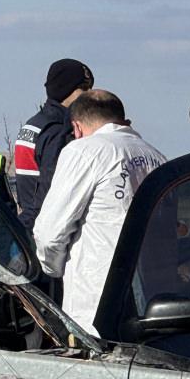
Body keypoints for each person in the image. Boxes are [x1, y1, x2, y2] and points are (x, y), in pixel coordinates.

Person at [32, 90, 165, 336]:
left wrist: (52, 271)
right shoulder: (156, 157)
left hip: (98, 304)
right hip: (154, 305)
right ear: (123, 120)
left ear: (77, 128)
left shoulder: (84, 151)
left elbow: (50, 233)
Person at [14, 58, 94, 230]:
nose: (89, 95)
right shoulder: (58, 130)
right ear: (67, 89)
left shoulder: (35, 123)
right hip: (42, 226)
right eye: (84, 88)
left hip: (29, 221)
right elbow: (51, 187)